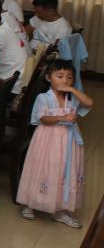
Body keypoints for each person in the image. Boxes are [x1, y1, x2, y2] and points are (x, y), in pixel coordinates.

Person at [16, 60, 94, 228]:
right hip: (47, 140)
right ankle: (30, 203)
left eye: (69, 77)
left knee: (64, 171)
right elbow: (43, 118)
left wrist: (72, 89)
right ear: (48, 78)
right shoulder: (43, 97)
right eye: (60, 76)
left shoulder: (71, 97)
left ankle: (60, 209)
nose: (65, 80)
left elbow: (89, 103)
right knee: (43, 168)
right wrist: (62, 117)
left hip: (68, 142)